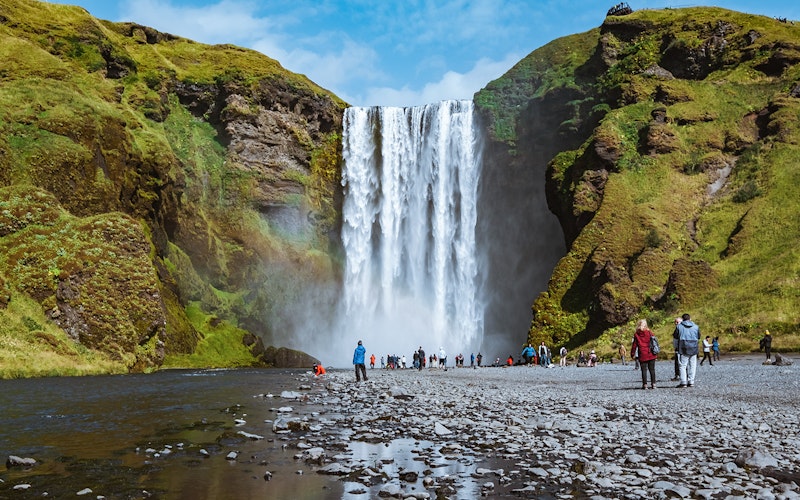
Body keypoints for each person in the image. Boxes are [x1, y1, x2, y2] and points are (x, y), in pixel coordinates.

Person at [674, 313, 700, 387]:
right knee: (693, 365)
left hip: (683, 346)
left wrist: (676, 347)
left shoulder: (679, 327)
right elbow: (698, 336)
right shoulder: (696, 326)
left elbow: (675, 337)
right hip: (694, 346)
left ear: (682, 319)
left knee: (682, 365)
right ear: (690, 318)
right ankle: (691, 381)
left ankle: (683, 382)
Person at [631, 319, 657, 389]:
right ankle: (653, 384)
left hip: (642, 354)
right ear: (646, 325)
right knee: (652, 369)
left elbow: (634, 345)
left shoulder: (636, 334)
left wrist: (632, 353)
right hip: (651, 353)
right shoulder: (649, 332)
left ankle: (645, 384)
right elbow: (654, 341)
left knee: (644, 370)